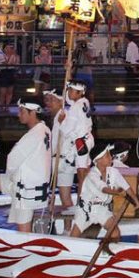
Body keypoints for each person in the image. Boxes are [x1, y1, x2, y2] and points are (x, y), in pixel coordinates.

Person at [0, 99, 51, 230]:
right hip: (36, 186)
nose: (18, 114)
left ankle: (26, 248)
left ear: (32, 113)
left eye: (21, 111)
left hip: (26, 189)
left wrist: (11, 177)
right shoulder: (45, 129)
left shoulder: (34, 135)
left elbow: (13, 160)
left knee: (23, 230)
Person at [71, 143, 138, 239]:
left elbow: (126, 187)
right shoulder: (92, 174)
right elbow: (103, 188)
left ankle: (110, 251)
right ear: (98, 160)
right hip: (86, 210)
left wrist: (136, 201)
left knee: (115, 233)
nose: (111, 157)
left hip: (102, 209)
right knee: (73, 237)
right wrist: (117, 192)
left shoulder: (114, 172)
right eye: (107, 155)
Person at [51, 82, 95, 210]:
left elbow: (67, 129)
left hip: (81, 141)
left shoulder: (76, 107)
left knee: (82, 173)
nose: (69, 93)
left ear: (80, 93)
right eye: (69, 90)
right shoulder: (84, 102)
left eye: (73, 91)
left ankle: (82, 202)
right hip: (86, 138)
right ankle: (83, 200)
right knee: (83, 171)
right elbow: (67, 99)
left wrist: (60, 122)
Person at [0, 42, 21, 115]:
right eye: (7, 48)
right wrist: (10, 57)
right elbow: (5, 64)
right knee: (3, 92)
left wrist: (15, 56)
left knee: (10, 91)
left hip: (11, 72)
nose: (8, 49)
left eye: (10, 48)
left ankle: (7, 106)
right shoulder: (1, 55)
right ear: (4, 49)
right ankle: (1, 107)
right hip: (4, 72)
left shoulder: (16, 56)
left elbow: (16, 65)